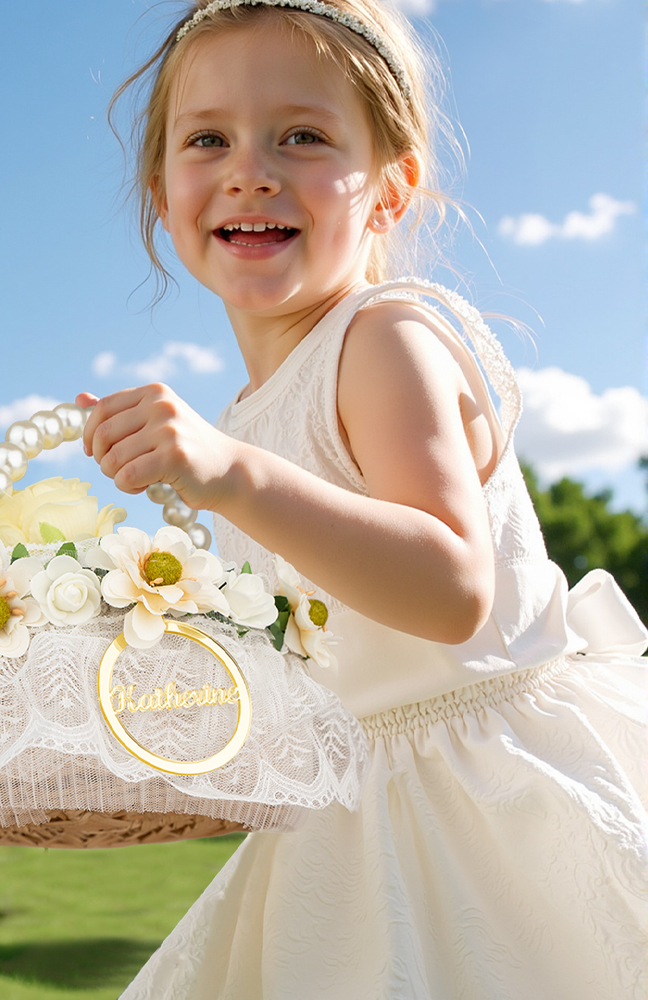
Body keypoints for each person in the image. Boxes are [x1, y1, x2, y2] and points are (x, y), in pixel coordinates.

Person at [77, 2, 648, 997]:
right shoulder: (246, 418)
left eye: (303, 136)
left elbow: (449, 588)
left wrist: (229, 474)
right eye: (207, 138)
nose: (250, 168)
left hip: (486, 799)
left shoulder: (381, 340)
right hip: (350, 815)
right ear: (163, 195)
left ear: (389, 190)